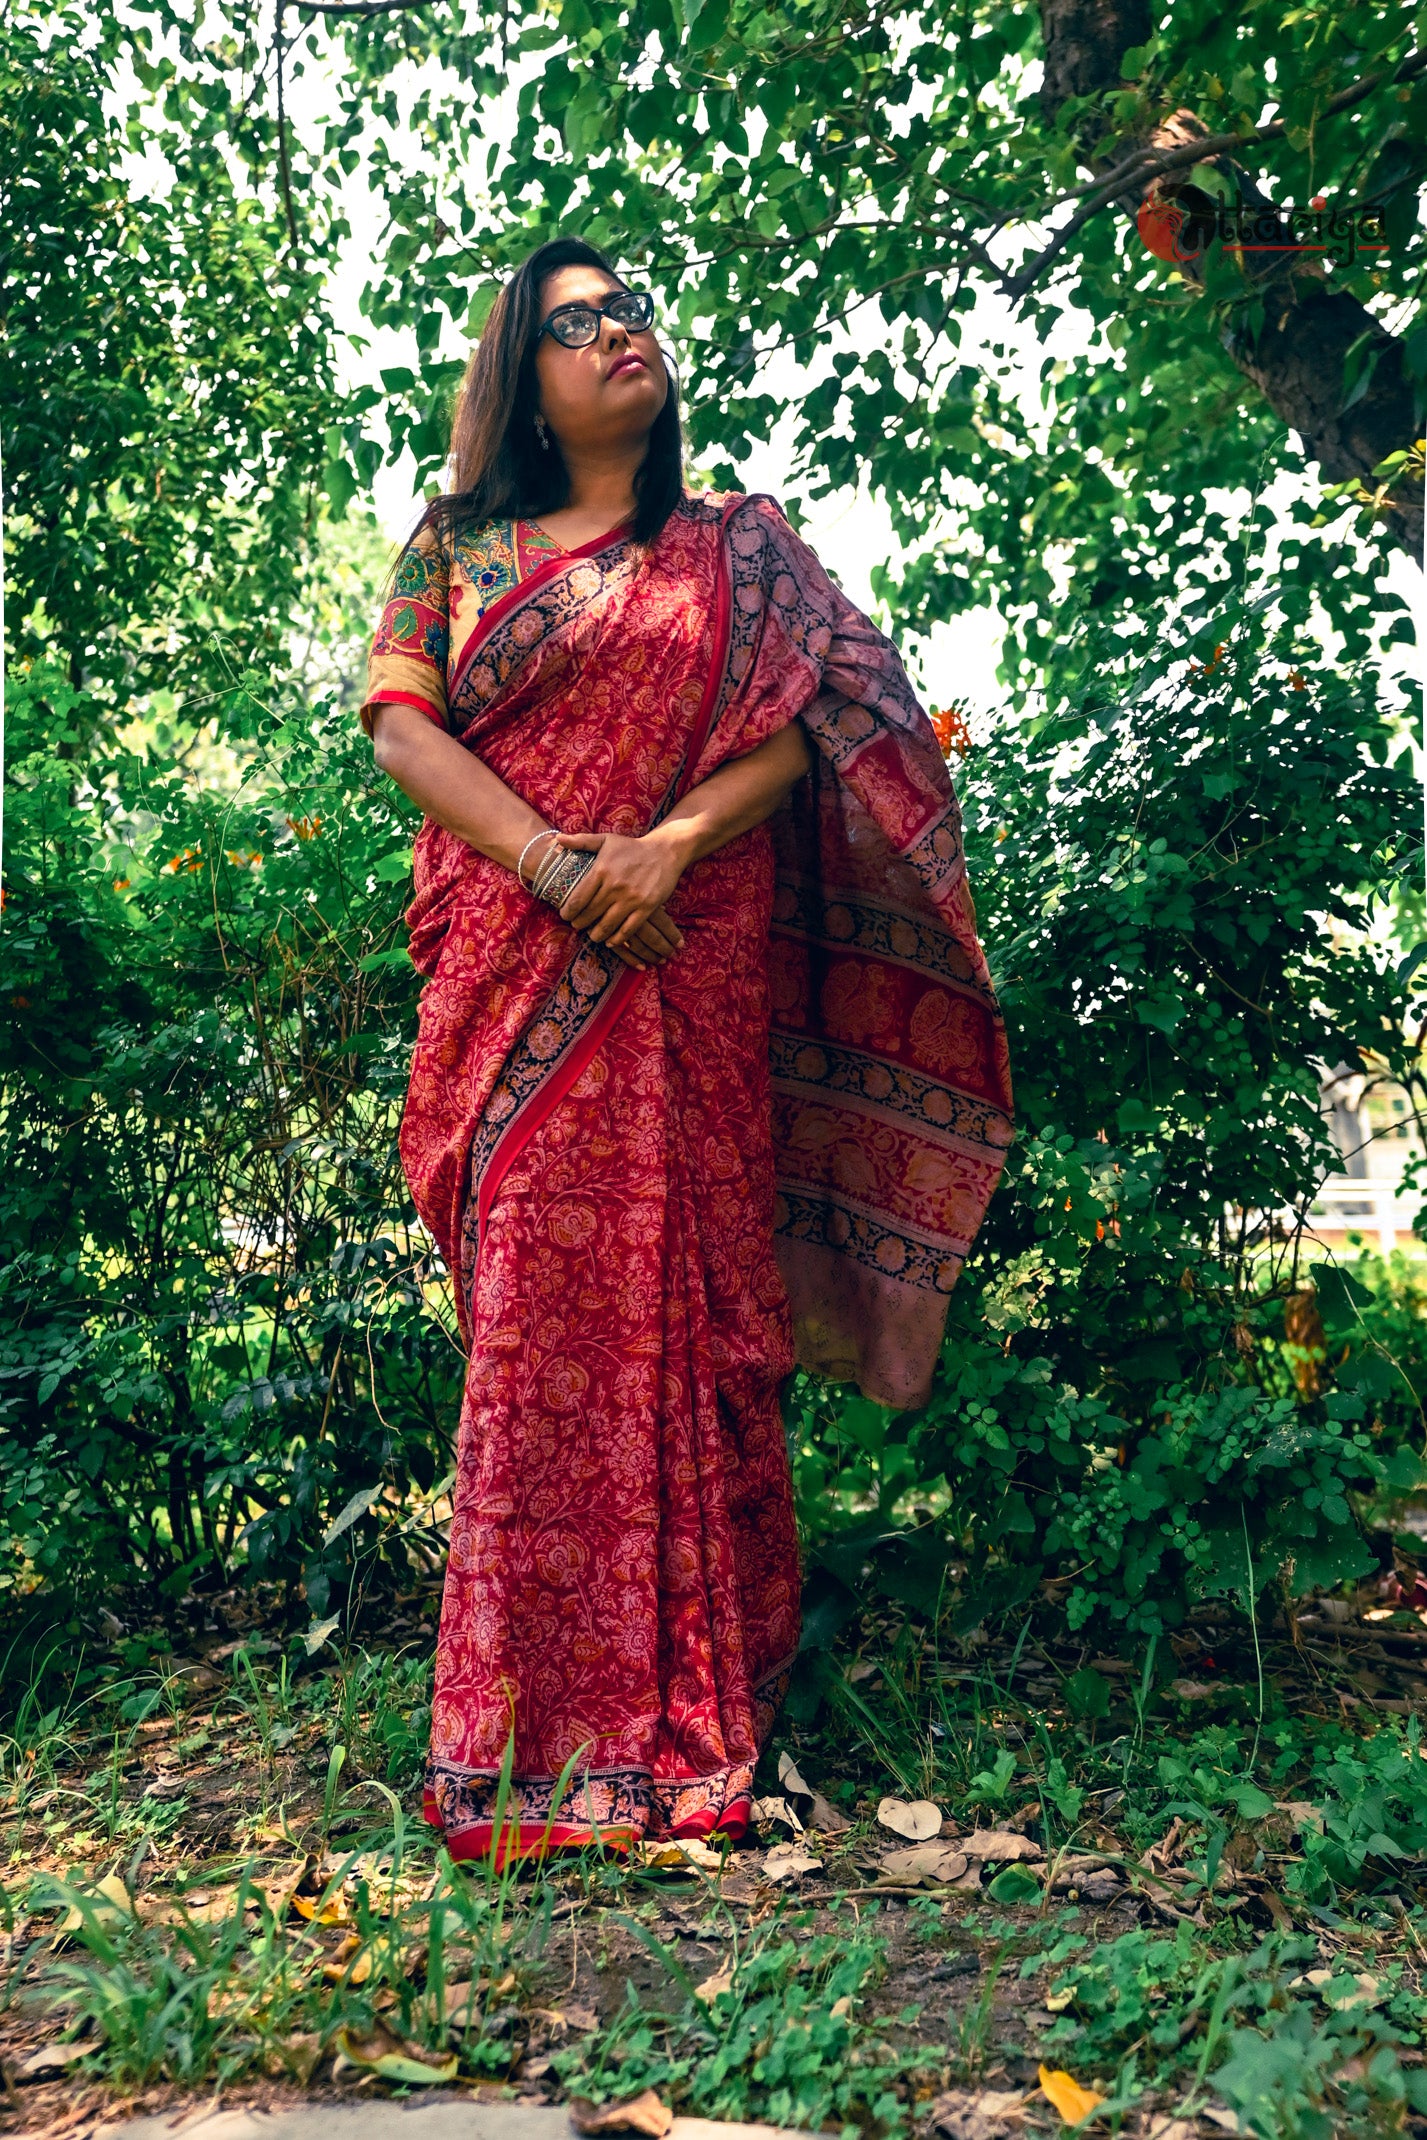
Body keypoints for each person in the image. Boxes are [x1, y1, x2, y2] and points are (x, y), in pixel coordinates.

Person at [362, 236, 1013, 1866]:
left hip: (683, 962)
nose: (616, 336)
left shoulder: (738, 549)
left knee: (693, 1314)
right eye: (572, 324)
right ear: (523, 370)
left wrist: (661, 849)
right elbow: (400, 722)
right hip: (520, 967)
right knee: (535, 1333)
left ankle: (701, 1729)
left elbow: (830, 722)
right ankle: (522, 1748)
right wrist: (558, 864)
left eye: (629, 309)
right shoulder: (460, 544)